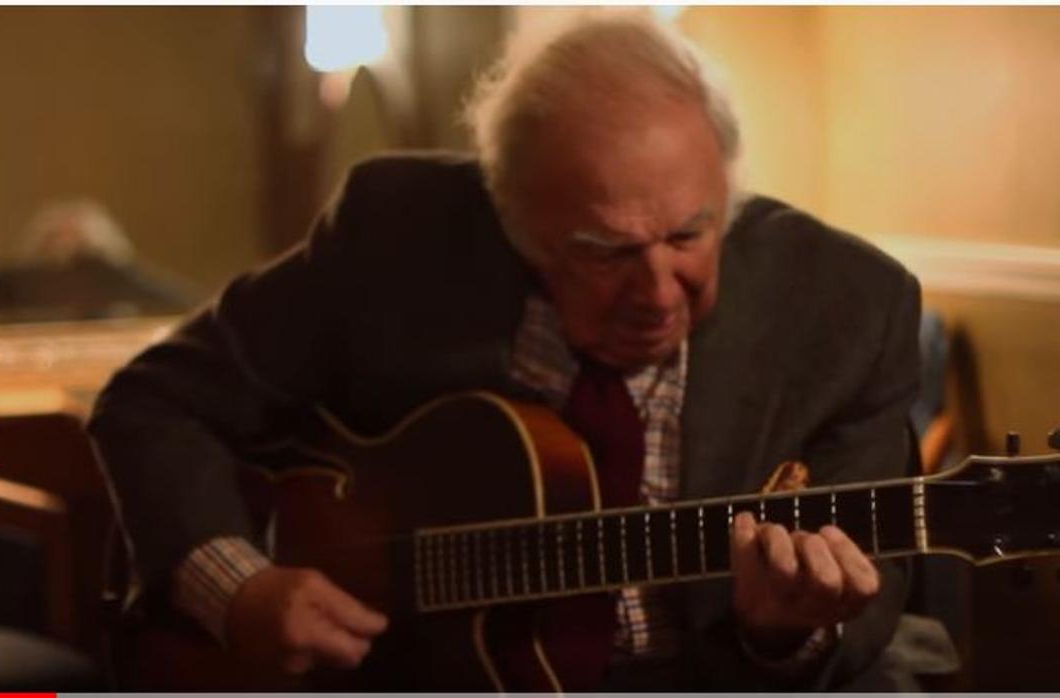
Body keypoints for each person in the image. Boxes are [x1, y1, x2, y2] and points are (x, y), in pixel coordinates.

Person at [89, 9, 921, 690]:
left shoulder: (848, 308)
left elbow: (865, 616)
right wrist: (237, 589)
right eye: (604, 250)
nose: (659, 290)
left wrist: (785, 630)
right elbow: (154, 403)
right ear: (515, 221)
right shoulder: (396, 235)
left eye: (689, 234)